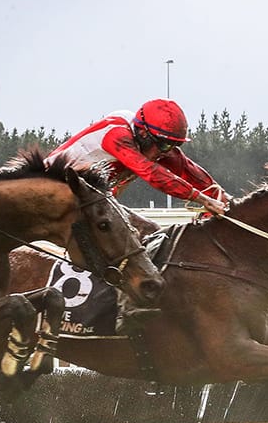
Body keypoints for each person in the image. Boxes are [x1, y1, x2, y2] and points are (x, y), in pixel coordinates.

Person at [47, 98, 229, 331]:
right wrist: (202, 199)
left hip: (88, 203)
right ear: (142, 132)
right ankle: (125, 313)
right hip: (56, 196)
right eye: (160, 145)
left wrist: (220, 195)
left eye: (168, 147)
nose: (160, 152)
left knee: (151, 233)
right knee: (133, 240)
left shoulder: (151, 137)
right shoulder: (117, 135)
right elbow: (151, 173)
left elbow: (186, 169)